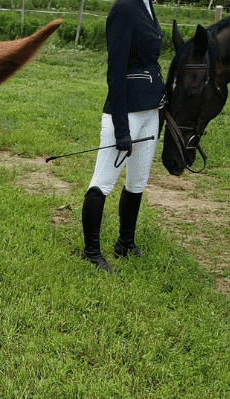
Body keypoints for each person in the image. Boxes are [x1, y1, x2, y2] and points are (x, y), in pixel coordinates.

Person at [82, 0, 166, 272]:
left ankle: (125, 243)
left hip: (150, 111)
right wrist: (121, 128)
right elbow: (116, 71)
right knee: (103, 182)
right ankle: (91, 253)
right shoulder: (124, 8)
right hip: (126, 112)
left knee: (138, 181)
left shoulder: (147, 5)